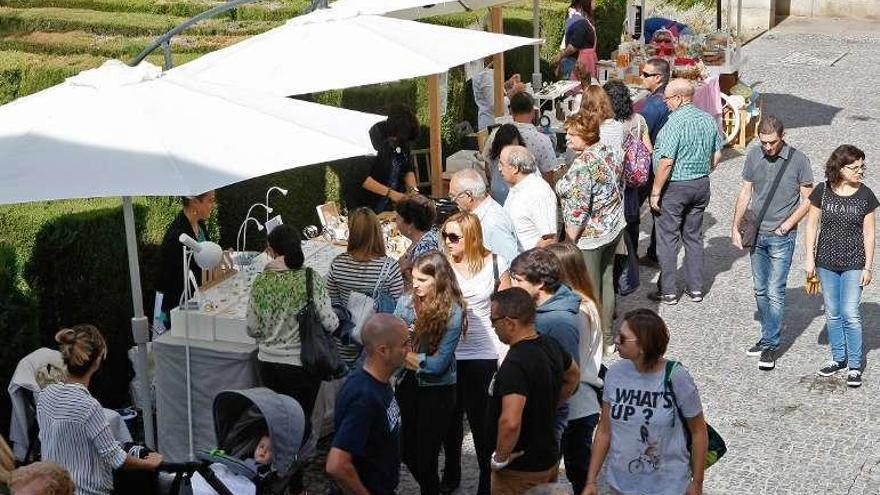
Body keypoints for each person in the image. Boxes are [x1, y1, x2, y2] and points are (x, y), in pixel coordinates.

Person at [585, 309, 708, 495]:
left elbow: (698, 431)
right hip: (620, 486)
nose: (616, 341)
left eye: (623, 337)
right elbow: (604, 431)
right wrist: (591, 480)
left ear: (643, 346)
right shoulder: (614, 374)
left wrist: (697, 483)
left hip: (668, 488)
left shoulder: (676, 377)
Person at [246, 224, 340, 460]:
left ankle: (276, 470)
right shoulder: (310, 278)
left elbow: (252, 328)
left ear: (271, 250)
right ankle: (295, 477)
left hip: (268, 364)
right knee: (300, 424)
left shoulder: (260, 283)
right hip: (303, 366)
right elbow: (330, 323)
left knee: (276, 422)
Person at [36, 325, 163, 495]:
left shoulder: (45, 395)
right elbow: (116, 458)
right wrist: (151, 463)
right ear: (98, 360)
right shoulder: (89, 406)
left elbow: (67, 441)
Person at [731, 116, 813, 371]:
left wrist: (787, 225)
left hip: (781, 236)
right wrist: (735, 227)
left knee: (775, 290)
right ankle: (768, 335)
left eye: (772, 142)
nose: (768, 147)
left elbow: (809, 200)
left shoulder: (799, 160)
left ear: (783, 135)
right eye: (763, 142)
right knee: (760, 289)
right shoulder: (754, 155)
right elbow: (745, 191)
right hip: (757, 232)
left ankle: (771, 344)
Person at [439, 212, 511, 494]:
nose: (448, 241)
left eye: (454, 236)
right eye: (445, 235)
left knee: (483, 424)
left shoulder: (495, 263)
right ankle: (452, 469)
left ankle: (486, 475)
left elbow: (507, 308)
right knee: (450, 419)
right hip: (450, 352)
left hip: (485, 353)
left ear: (471, 237)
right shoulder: (444, 265)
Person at [487, 288, 580, 495]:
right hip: (547, 456)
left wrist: (500, 459)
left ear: (510, 322)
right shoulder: (550, 344)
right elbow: (573, 375)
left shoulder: (515, 364)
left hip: (520, 470)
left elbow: (510, 422)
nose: (492, 327)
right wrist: (549, 405)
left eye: (494, 321)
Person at [394, 252, 466, 495]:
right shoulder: (406, 302)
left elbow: (438, 365)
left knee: (426, 456)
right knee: (406, 451)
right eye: (413, 278)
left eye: (422, 280)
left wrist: (402, 356)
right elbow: (392, 336)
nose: (415, 285)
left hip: (438, 390)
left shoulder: (453, 312)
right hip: (408, 384)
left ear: (439, 280)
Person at [806, 145, 877, 388]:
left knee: (850, 313)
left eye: (862, 167)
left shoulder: (865, 195)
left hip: (854, 262)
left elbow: (869, 233)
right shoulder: (822, 191)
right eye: (855, 167)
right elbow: (812, 225)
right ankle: (838, 358)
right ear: (840, 167)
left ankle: (855, 365)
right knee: (832, 312)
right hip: (825, 261)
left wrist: (868, 267)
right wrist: (808, 258)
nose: (860, 171)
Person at [649, 78, 724, 304]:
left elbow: (666, 162)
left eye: (668, 99)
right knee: (693, 237)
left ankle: (669, 291)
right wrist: (702, 169)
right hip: (700, 184)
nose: (666, 103)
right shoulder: (707, 120)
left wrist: (655, 192)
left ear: (680, 98)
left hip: (675, 187)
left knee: (669, 239)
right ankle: (696, 288)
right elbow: (717, 154)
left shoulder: (674, 123)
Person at [557, 110, 624, 347]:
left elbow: (578, 210)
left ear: (585, 135)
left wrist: (568, 243)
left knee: (588, 290)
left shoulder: (582, 166)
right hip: (613, 226)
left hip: (590, 236)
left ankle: (593, 341)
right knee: (606, 282)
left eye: (571, 134)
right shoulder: (609, 150)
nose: (567, 138)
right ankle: (606, 337)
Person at [326, 314, 409, 495]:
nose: (409, 350)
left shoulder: (379, 382)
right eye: (404, 344)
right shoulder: (364, 396)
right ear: (383, 350)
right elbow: (336, 464)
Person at [545, 241, 603, 495]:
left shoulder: (577, 310)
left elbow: (572, 364)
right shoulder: (584, 302)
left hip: (575, 403)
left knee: (575, 470)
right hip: (579, 401)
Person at [326, 207, 405, 364]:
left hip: (343, 344)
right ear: (377, 232)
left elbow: (333, 304)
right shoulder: (389, 267)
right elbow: (398, 311)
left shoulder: (338, 264)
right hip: (376, 350)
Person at [153, 190, 216, 332]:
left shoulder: (200, 225)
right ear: (194, 202)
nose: (213, 205)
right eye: (210, 200)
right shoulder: (178, 236)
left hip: (198, 302)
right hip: (181, 309)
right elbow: (172, 281)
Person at [605, 79, 654, 257]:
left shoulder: (610, 126)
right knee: (633, 220)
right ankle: (632, 258)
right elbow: (649, 150)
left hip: (616, 179)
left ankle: (620, 260)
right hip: (633, 179)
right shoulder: (639, 119)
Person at [484, 92, 558, 188]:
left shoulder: (495, 134)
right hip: (531, 196)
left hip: (499, 195)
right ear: (532, 111)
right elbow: (548, 177)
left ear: (511, 112)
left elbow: (487, 166)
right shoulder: (542, 140)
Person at [638, 57, 671, 266]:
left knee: (636, 208)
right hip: (664, 161)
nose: (641, 78)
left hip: (651, 163)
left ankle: (636, 254)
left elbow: (641, 134)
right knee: (660, 208)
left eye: (646, 74)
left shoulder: (653, 106)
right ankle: (654, 252)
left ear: (658, 78)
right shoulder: (669, 98)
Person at [449, 168, 520, 262]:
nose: (454, 201)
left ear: (468, 196)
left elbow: (509, 260)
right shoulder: (481, 215)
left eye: (454, 197)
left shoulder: (492, 222)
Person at [360, 105, 420, 212]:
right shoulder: (372, 138)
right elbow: (362, 177)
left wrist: (413, 191)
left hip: (391, 206)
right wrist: (392, 194)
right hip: (368, 205)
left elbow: (408, 168)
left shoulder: (403, 141)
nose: (400, 142)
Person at [500, 145, 559, 250]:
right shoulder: (517, 187)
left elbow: (549, 239)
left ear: (515, 168)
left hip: (529, 262)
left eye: (502, 164)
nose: (499, 169)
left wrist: (526, 263)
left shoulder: (538, 192)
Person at [396, 194, 441, 285]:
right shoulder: (430, 234)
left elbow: (426, 286)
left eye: (397, 218)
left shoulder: (425, 248)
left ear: (410, 225)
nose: (395, 221)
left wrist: (402, 269)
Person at [472, 56, 524, 132]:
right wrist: (513, 92)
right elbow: (494, 104)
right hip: (492, 125)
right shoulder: (484, 75)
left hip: (496, 123)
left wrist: (507, 85)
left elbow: (494, 90)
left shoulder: (488, 72)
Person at [552, 0, 597, 82]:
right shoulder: (579, 21)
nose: (595, 3)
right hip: (575, 65)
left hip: (579, 63)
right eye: (593, 0)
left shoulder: (579, 19)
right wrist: (560, 56)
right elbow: (573, 46)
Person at [483, 123, 525, 204]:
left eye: (514, 147)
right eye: (507, 148)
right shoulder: (493, 161)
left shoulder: (525, 163)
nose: (511, 152)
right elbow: (490, 179)